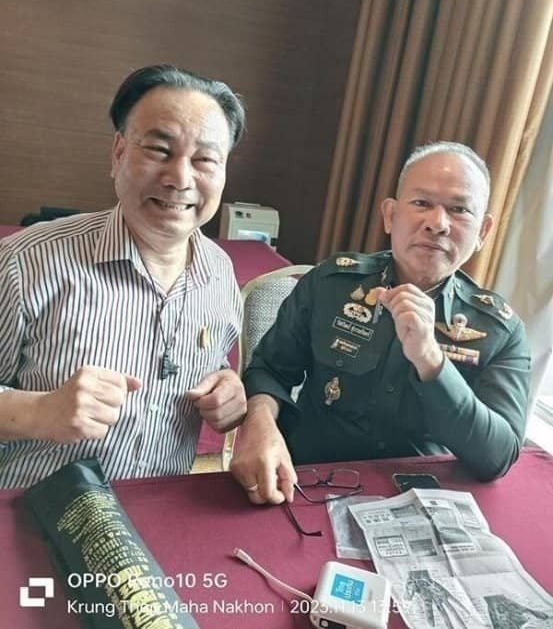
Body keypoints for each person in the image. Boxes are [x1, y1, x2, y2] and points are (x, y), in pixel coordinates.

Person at [231, 142, 531, 504]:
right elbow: (270, 370)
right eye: (421, 203)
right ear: (390, 215)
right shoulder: (330, 284)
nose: (437, 223)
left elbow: (497, 458)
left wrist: (432, 362)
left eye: (459, 209)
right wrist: (260, 422)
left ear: (483, 231)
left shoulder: (499, 330)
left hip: (420, 502)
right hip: (309, 486)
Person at [0, 64, 247, 488]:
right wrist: (40, 411)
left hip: (159, 511)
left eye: (205, 159)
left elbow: (212, 360)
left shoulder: (220, 273)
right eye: (159, 150)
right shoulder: (26, 263)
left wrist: (227, 388)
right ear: (118, 153)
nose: (180, 178)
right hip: (35, 509)